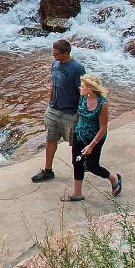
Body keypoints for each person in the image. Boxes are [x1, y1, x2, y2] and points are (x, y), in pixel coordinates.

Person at [64, 72, 121, 202]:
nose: (79, 88)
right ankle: (77, 193)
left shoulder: (102, 104)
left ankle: (114, 178)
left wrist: (91, 145)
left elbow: (103, 128)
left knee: (92, 166)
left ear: (89, 89)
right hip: (80, 133)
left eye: (82, 86)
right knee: (77, 162)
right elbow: (79, 115)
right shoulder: (83, 97)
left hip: (95, 137)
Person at [33, 39, 84, 183]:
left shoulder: (77, 68)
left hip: (70, 112)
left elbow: (83, 92)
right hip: (53, 110)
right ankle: (48, 170)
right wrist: (49, 102)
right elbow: (53, 82)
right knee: (50, 139)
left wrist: (80, 113)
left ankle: (81, 165)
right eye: (53, 53)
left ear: (66, 53)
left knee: (75, 143)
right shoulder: (55, 63)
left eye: (56, 54)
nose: (53, 55)